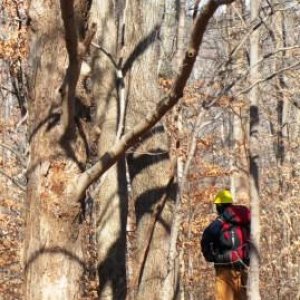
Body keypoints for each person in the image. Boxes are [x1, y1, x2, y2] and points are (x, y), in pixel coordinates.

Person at [201, 190, 250, 300]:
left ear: (219, 206)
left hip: (224, 270)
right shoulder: (245, 220)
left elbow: (207, 237)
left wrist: (212, 257)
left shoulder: (220, 222)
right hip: (243, 270)